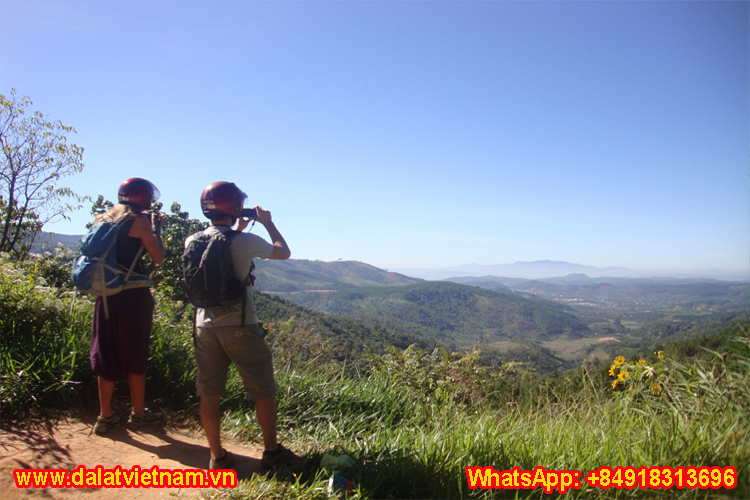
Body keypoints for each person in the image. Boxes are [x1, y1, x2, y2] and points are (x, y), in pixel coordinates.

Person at [187, 181, 298, 470]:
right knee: (263, 389)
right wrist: (267, 224)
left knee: (209, 392)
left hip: (203, 325)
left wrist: (238, 225)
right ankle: (272, 453)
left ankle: (217, 456)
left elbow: (220, 246)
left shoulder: (192, 241)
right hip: (239, 324)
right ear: (235, 207)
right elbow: (283, 251)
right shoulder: (244, 241)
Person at [90, 178, 167, 434]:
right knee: (134, 351)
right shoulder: (140, 222)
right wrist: (157, 230)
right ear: (143, 198)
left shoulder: (103, 219)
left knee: (106, 350)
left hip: (106, 293)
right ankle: (138, 413)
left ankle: (105, 415)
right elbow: (158, 258)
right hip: (133, 296)